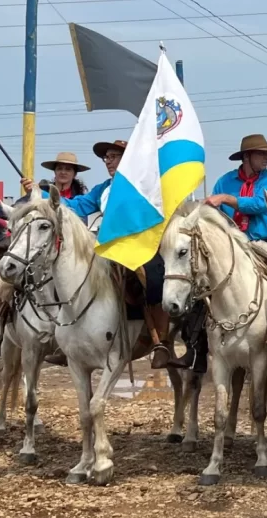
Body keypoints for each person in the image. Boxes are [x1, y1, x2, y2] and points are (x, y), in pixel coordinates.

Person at [19, 139, 170, 369]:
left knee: (151, 278)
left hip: (138, 246)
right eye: (106, 157)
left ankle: (160, 341)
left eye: (113, 157)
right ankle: (68, 341)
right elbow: (77, 205)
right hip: (106, 248)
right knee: (67, 275)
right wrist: (42, 196)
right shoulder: (103, 188)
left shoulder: (144, 184)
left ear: (128, 158)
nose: (108, 162)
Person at [170, 134, 267, 371]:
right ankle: (197, 345)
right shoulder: (224, 180)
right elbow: (215, 214)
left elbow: (260, 204)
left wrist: (226, 199)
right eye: (262, 154)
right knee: (202, 283)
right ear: (247, 157)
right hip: (230, 245)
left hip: (261, 242)